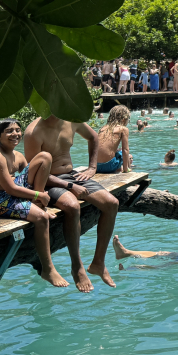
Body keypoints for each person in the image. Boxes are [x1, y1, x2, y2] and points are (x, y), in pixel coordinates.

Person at [24, 114, 121, 291]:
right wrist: (69, 186)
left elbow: (93, 136)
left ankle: (98, 262)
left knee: (112, 203)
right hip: (48, 181)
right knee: (72, 206)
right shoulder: (33, 132)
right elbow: (33, 172)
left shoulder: (72, 119)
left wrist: (92, 167)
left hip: (72, 175)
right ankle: (77, 267)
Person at [0, 119, 68, 287]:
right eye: (9, 131)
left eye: (18, 130)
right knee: (42, 218)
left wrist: (67, 185)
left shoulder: (18, 156)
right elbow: (11, 188)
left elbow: (35, 175)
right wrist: (38, 194)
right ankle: (48, 269)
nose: (15, 134)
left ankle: (39, 206)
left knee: (44, 156)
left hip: (11, 194)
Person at [95, 105, 132, 174]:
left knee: (117, 151)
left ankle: (121, 168)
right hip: (109, 166)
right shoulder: (123, 129)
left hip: (96, 166)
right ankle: (127, 169)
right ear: (124, 119)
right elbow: (125, 150)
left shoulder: (103, 128)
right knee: (124, 153)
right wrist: (126, 169)